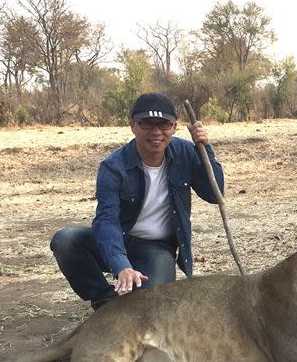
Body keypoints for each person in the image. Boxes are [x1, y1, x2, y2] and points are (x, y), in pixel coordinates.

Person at [50, 92, 224, 310]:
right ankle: (105, 303)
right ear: (133, 125)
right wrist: (121, 265)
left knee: (149, 308)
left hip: (156, 248)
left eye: (164, 125)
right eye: (147, 124)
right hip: (120, 239)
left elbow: (215, 195)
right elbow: (107, 220)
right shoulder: (114, 167)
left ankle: (130, 299)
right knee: (66, 240)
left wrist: (205, 149)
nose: (156, 132)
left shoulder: (186, 153)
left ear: (175, 127)